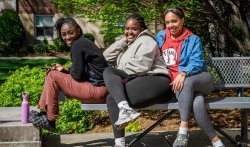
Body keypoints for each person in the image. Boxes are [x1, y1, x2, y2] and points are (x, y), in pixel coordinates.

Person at [155, 8, 225, 147]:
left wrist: (184, 73)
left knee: (186, 82)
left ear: (182, 20)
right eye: (167, 22)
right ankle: (216, 141)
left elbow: (197, 62)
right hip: (178, 85)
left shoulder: (193, 39)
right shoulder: (161, 37)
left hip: (199, 78)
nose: (171, 25)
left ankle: (183, 129)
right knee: (197, 102)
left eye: (174, 21)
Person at [103, 14, 173, 147]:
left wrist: (119, 72)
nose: (129, 31)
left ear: (141, 29)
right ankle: (120, 142)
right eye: (127, 28)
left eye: (134, 29)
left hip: (157, 81)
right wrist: (123, 41)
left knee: (109, 72)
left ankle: (125, 109)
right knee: (111, 98)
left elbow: (140, 67)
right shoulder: (129, 44)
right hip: (143, 80)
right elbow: (105, 57)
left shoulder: (147, 41)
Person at [29, 17, 108, 131]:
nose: (67, 37)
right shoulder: (82, 42)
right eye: (64, 34)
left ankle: (50, 120)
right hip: (100, 90)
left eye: (71, 33)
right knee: (53, 74)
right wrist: (65, 69)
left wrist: (65, 71)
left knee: (52, 75)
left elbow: (77, 76)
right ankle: (45, 114)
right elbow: (80, 70)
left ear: (78, 30)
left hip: (97, 91)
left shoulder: (77, 45)